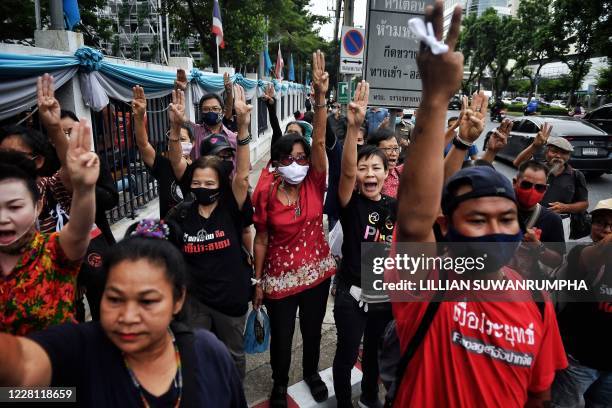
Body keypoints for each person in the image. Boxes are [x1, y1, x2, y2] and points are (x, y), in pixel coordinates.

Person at [386, 3, 567, 406]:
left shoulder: (535, 300)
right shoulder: (430, 285)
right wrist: (435, 98)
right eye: (478, 219)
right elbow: (415, 219)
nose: (496, 230)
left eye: (505, 218)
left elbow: (539, 393)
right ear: (447, 226)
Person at [0, 219, 247, 407]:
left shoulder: (208, 353)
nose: (128, 317)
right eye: (115, 299)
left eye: (148, 301)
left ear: (178, 299)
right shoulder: (81, 351)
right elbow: (20, 377)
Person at [252, 51, 336, 408]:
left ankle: (313, 374)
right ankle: (278, 383)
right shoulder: (267, 191)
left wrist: (319, 101)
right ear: (277, 162)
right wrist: (257, 284)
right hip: (279, 279)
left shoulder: (315, 182)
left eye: (302, 158)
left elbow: (319, 143)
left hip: (317, 274)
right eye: (289, 158)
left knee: (313, 330)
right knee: (283, 337)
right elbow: (262, 238)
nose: (297, 163)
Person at [165, 86, 253, 379]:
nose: (203, 188)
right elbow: (177, 162)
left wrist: (242, 128)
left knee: (233, 356)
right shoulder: (183, 213)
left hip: (231, 299)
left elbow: (241, 175)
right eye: (197, 183)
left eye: (210, 184)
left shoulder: (231, 206)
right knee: (196, 356)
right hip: (196, 301)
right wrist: (176, 128)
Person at [0, 119, 98, 335]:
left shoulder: (53, 251)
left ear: (38, 206)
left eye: (14, 207)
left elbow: (80, 230)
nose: (3, 218)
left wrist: (84, 188)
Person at [333, 81, 396, 408]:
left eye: (376, 168)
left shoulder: (393, 206)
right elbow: (344, 175)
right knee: (346, 354)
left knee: (374, 352)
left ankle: (370, 398)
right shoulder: (350, 202)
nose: (369, 173)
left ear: (387, 173)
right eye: (363, 168)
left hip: (383, 295)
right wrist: (354, 128)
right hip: (350, 294)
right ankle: (344, 403)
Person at [552, 198, 612, 407]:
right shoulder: (581, 251)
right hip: (577, 362)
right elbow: (594, 256)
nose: (605, 230)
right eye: (601, 223)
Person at [513, 128, 589, 239]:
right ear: (546, 152)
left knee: (555, 253)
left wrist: (566, 207)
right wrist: (534, 145)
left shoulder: (576, 175)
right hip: (533, 218)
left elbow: (584, 204)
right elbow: (518, 163)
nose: (558, 156)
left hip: (561, 222)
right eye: (554, 151)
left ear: (569, 156)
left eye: (563, 153)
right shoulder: (538, 170)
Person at [132, 85, 194, 219]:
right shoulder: (163, 165)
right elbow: (143, 144)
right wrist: (138, 117)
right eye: (174, 140)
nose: (178, 143)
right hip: (168, 232)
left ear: (192, 142)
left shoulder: (199, 168)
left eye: (182, 139)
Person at [366, 128, 403, 198]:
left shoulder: (401, 173)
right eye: (388, 149)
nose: (394, 153)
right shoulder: (367, 176)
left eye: (396, 148)